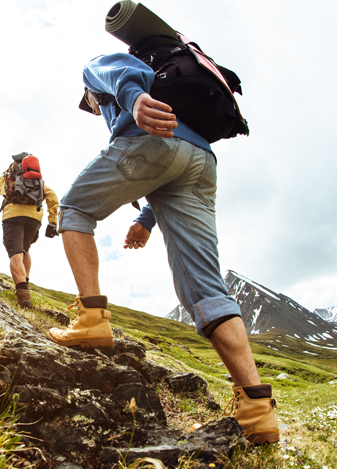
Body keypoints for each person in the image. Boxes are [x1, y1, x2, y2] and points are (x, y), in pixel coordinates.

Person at [46, 47, 279, 444]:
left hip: (153, 140)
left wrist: (135, 102)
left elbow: (122, 72)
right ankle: (258, 412)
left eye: (88, 105)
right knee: (207, 289)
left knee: (73, 211)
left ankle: (90, 321)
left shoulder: (95, 71)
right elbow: (173, 168)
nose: (91, 108)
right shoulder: (180, 91)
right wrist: (145, 220)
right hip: (201, 160)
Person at [0, 154, 59, 308]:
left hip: (13, 217)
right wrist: (52, 221)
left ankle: (24, 299)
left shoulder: (4, 178)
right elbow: (52, 197)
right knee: (25, 250)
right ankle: (25, 284)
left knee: (16, 254)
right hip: (34, 218)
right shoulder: (38, 181)